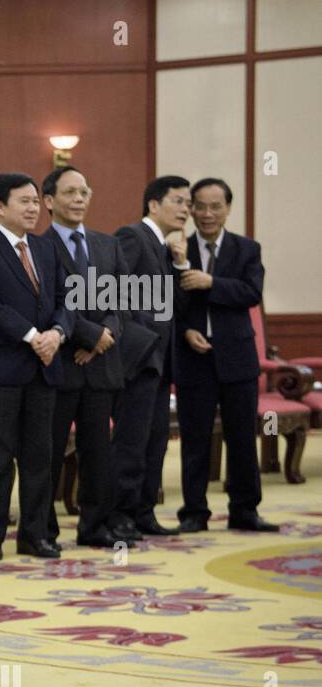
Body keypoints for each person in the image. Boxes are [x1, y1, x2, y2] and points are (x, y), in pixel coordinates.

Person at [0, 172, 73, 562]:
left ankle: (35, 535)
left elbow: (64, 299)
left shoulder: (46, 248)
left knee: (40, 456)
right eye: (23, 201)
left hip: (44, 368)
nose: (32, 208)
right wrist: (32, 336)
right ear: (0, 206)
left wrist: (57, 332)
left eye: (35, 201)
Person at [174, 177, 278, 532]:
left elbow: (251, 292)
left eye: (215, 206)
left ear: (228, 209)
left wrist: (211, 283)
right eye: (199, 206)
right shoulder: (178, 249)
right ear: (190, 210)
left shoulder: (247, 249)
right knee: (195, 439)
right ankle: (194, 512)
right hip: (194, 360)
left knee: (242, 439)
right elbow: (169, 304)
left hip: (237, 358)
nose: (206, 214)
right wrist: (185, 330)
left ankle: (245, 510)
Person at [38, 166, 134, 549]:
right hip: (59, 365)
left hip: (101, 365)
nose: (79, 199)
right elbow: (47, 305)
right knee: (49, 453)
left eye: (84, 192)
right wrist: (90, 335)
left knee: (98, 453)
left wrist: (104, 336)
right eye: (70, 192)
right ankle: (43, 530)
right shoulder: (39, 248)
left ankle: (95, 527)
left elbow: (125, 298)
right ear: (48, 201)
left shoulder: (107, 245)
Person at [112, 176, 192, 538]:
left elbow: (176, 306)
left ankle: (144, 512)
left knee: (155, 439)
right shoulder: (132, 236)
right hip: (139, 359)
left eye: (187, 203)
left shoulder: (163, 247)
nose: (186, 209)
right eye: (178, 201)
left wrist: (179, 265)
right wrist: (140, 338)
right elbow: (114, 290)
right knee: (132, 440)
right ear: (153, 205)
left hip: (162, 362)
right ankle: (121, 514)